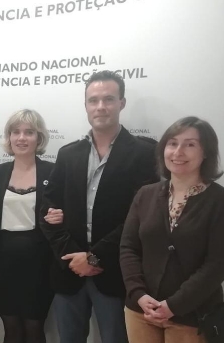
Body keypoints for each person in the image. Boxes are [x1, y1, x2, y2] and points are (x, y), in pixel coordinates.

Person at [40, 70, 158, 343]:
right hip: (69, 271)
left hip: (115, 273)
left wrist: (93, 258)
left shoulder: (144, 154)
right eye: (93, 100)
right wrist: (72, 256)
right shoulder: (68, 154)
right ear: (85, 106)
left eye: (108, 99)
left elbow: (140, 218)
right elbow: (48, 209)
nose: (100, 106)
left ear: (122, 103)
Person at [120, 116, 224, 343]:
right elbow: (129, 248)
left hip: (192, 316)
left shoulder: (221, 201)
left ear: (206, 152)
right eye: (172, 143)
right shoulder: (145, 194)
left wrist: (174, 305)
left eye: (190, 144)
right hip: (140, 311)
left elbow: (218, 263)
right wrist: (138, 294)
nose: (178, 152)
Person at [0, 109, 55, 343]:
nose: (21, 138)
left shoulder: (53, 172)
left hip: (41, 262)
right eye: (16, 132)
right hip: (3, 260)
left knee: (34, 328)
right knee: (11, 328)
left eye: (29, 132)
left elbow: (64, 216)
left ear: (39, 138)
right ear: (9, 137)